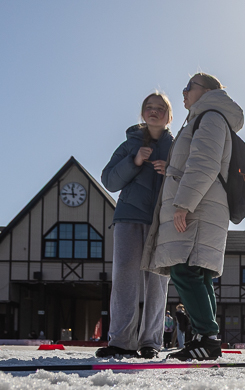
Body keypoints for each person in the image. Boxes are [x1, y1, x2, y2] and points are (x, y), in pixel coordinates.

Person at [143, 73, 244, 361]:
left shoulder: (210, 117)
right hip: (204, 205)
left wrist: (184, 204)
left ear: (208, 91)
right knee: (198, 273)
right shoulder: (207, 117)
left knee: (185, 270)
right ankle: (204, 338)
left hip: (198, 208)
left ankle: (207, 338)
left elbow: (204, 163)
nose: (184, 92)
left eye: (190, 87)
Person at [99, 92, 174, 359]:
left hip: (162, 220)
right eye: (149, 107)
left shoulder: (177, 147)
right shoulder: (129, 144)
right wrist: (134, 162)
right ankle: (121, 341)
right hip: (129, 217)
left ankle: (151, 342)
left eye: (160, 108)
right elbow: (109, 180)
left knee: (158, 282)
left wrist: (172, 171)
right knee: (124, 280)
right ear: (142, 113)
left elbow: (188, 179)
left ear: (169, 116)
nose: (154, 111)